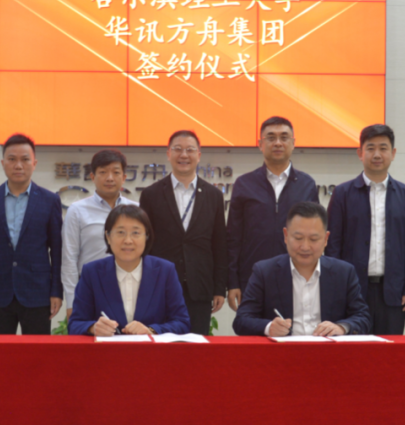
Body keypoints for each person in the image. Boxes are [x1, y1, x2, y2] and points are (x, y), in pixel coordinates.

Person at [326, 124, 405, 335]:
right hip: (353, 290)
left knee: (389, 350)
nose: (377, 154)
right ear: (360, 153)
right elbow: (333, 245)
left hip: (394, 292)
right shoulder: (342, 193)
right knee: (354, 350)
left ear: (393, 153)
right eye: (370, 148)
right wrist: (335, 287)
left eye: (383, 148)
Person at [233, 202, 371, 337]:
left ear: (325, 239)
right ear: (286, 236)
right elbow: (241, 320)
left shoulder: (344, 272)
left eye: (313, 239)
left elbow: (363, 317)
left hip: (328, 349)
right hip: (283, 350)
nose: (305, 247)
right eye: (298, 238)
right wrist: (269, 327)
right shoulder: (264, 272)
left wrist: (341, 327)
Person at [0, 134, 63, 334]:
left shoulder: (50, 200)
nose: (18, 165)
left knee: (37, 352)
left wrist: (56, 290)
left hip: (37, 292)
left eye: (25, 159)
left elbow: (57, 250)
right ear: (3, 163)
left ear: (34, 163)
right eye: (12, 159)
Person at [139, 130, 227, 336]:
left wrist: (219, 288)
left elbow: (219, 244)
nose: (184, 155)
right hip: (160, 285)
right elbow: (145, 243)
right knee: (160, 344)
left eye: (190, 150)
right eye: (178, 149)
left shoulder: (213, 195)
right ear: (168, 154)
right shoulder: (151, 194)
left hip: (200, 287)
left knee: (196, 346)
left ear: (199, 155)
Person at [227, 116, 319, 313]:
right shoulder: (244, 184)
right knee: (254, 329)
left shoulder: (307, 184)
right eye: (271, 137)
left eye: (284, 137)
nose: (278, 143)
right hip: (252, 278)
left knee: (295, 330)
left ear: (293, 143)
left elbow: (315, 236)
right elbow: (233, 237)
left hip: (298, 276)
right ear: (260, 144)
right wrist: (233, 282)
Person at [68, 205, 190, 336]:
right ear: (108, 237)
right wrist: (93, 327)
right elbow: (75, 323)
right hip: (108, 349)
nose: (128, 241)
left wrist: (151, 330)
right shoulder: (91, 272)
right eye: (121, 232)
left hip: (150, 349)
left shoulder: (165, 271)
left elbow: (182, 322)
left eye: (136, 233)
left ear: (146, 236)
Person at [62, 149, 138, 318]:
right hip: (90, 289)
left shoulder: (136, 210)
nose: (109, 178)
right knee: (91, 333)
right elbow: (69, 258)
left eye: (116, 172)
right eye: (103, 172)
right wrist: (72, 301)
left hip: (130, 288)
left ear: (124, 177)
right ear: (92, 176)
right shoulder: (77, 210)